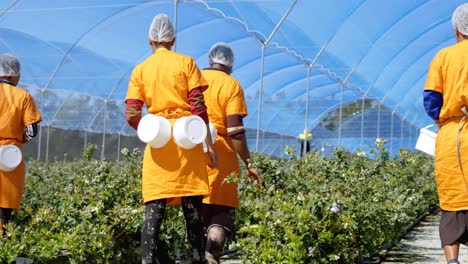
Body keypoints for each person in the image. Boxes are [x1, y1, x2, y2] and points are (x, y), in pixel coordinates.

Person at [125, 14, 217, 264]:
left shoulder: (141, 69)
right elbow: (199, 107)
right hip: (187, 137)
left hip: (159, 143)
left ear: (150, 40)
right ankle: (198, 259)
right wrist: (207, 143)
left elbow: (132, 112)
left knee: (154, 210)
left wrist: (148, 129)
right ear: (173, 40)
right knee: (193, 209)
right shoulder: (186, 62)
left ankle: (147, 260)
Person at [200, 42, 261, 264]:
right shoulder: (231, 85)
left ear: (210, 60)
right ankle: (211, 255)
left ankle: (199, 255)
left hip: (193, 154)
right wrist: (248, 163)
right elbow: (234, 130)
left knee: (197, 212)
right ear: (231, 65)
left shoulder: (194, 80)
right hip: (221, 156)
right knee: (219, 212)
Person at [423, 4, 468, 264]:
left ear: (457, 29)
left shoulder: (443, 57)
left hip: (454, 135)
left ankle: (452, 262)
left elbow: (431, 100)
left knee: (453, 202)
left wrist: (444, 117)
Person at [0, 54, 42, 232]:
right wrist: (17, 140)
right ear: (14, 73)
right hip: (9, 156)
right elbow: (31, 131)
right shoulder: (23, 97)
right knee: (4, 206)